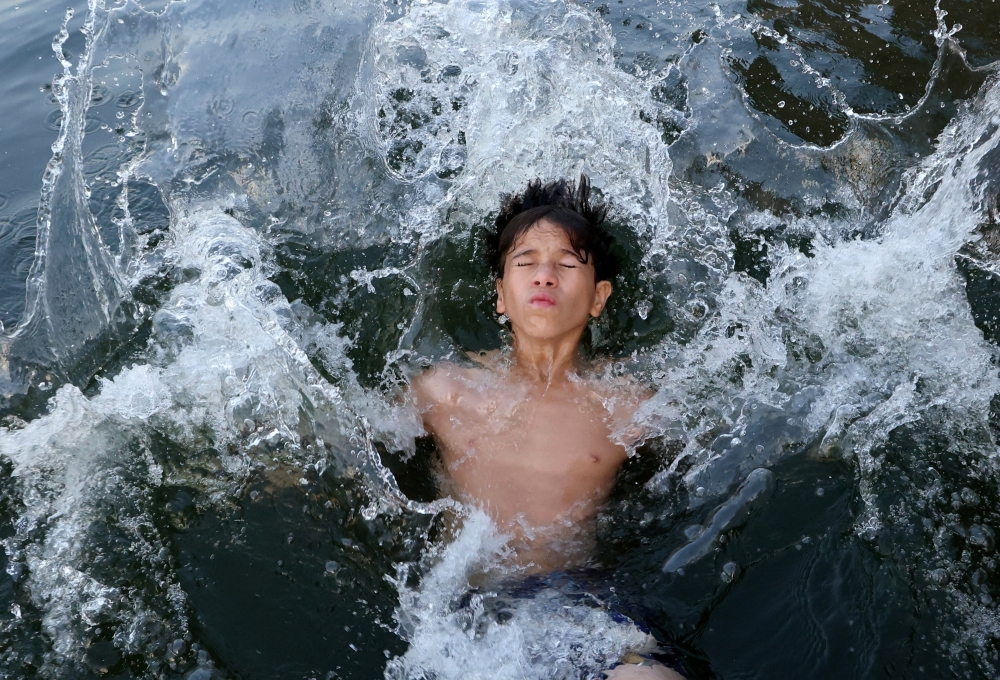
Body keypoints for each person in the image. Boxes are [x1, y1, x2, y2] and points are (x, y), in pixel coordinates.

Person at [407, 176, 685, 680]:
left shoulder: (627, 406)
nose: (544, 276)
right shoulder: (444, 392)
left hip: (586, 600)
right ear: (500, 295)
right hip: (476, 610)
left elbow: (724, 451)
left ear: (599, 296)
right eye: (525, 262)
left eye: (566, 263)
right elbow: (348, 441)